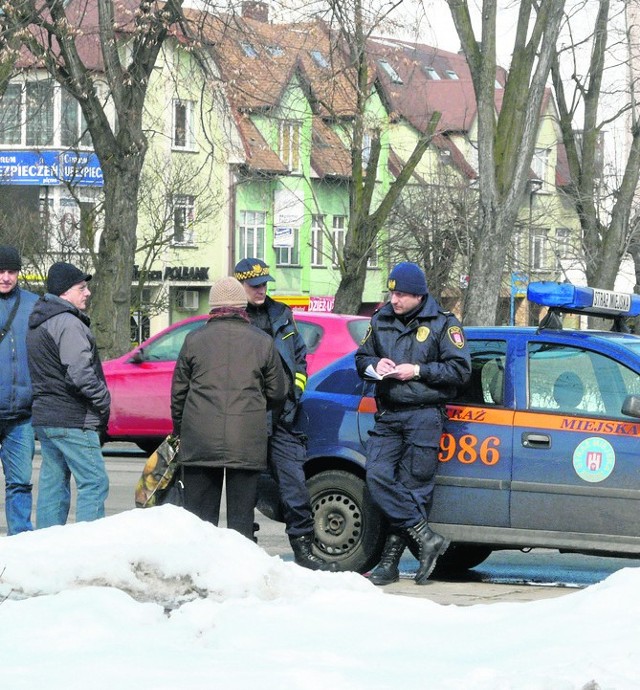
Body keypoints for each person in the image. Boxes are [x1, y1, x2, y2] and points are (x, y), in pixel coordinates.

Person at [355, 261, 471, 585]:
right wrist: (376, 364)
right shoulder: (380, 320)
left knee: (413, 489)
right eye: (393, 293)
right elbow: (360, 359)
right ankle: (426, 538)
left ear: (420, 296)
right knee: (376, 475)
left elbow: (460, 370)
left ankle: (389, 563)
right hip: (389, 413)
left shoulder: (444, 324)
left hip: (425, 414)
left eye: (403, 295)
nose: (395, 300)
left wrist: (418, 371)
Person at [234, 258, 334, 571]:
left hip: (283, 416)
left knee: (294, 484)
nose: (260, 290)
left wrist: (297, 391)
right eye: (254, 286)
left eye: (264, 284)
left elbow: (299, 358)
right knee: (244, 487)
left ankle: (304, 548)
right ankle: (244, 546)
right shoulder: (234, 319)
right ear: (240, 287)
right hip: (248, 417)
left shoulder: (281, 313)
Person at [171, 276, 287, 540]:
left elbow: (178, 393)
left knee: (200, 523)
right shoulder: (262, 341)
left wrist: (181, 429)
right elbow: (278, 392)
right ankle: (240, 574)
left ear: (212, 308)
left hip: (200, 439)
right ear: (242, 306)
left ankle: (201, 573)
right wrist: (255, 410)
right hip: (246, 439)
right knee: (241, 522)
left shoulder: (194, 340)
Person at [26, 262, 111, 528]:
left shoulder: (40, 320)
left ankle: (47, 546)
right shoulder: (68, 323)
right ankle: (89, 548)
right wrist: (104, 399)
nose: (87, 293)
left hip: (47, 417)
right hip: (72, 418)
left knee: (54, 483)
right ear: (64, 293)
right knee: (94, 481)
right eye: (81, 288)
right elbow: (80, 375)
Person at [0, 246, 39, 535]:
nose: (6, 277)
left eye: (11, 271)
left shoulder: (33, 304)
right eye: (1, 271)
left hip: (21, 415)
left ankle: (22, 543)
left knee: (20, 482)